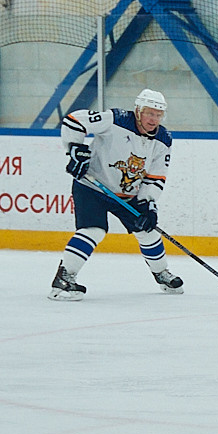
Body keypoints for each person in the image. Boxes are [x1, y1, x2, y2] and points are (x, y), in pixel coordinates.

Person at [51, 89, 179, 300]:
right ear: (138, 111)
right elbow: (74, 121)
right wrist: (75, 149)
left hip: (127, 194)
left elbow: (155, 176)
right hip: (92, 186)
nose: (153, 119)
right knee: (93, 230)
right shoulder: (116, 119)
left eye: (158, 115)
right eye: (149, 113)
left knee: (148, 232)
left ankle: (161, 274)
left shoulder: (164, 139)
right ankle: (63, 280)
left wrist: (148, 202)